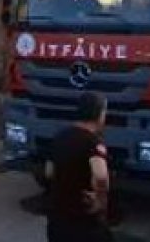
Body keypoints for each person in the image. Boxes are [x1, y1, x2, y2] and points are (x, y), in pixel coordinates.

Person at [46, 91, 112, 242]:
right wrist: (100, 201)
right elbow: (101, 176)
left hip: (57, 221)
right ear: (99, 114)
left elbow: (49, 172)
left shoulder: (59, 137)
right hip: (83, 221)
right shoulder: (93, 142)